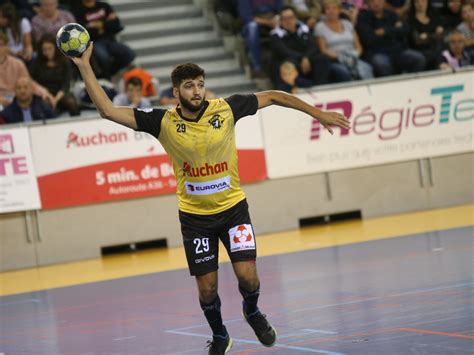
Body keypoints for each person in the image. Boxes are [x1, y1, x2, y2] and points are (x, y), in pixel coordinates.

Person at [70, 42, 350, 355]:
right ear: (176, 92)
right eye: (189, 86)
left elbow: (273, 96)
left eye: (200, 85)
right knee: (207, 288)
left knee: (249, 277)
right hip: (195, 219)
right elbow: (107, 110)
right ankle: (220, 335)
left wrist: (317, 113)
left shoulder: (226, 108)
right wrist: (84, 66)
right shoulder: (162, 121)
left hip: (233, 211)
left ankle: (253, 311)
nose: (197, 91)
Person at [356, 0, 426, 76]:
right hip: (377, 52)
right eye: (372, 1)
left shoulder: (390, 14)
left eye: (379, 0)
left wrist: (385, 31)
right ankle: (393, 86)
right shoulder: (363, 18)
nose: (376, 3)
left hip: (397, 51)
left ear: (384, 2)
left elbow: (405, 29)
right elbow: (369, 39)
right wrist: (394, 30)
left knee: (419, 58)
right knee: (381, 63)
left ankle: (410, 82)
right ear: (367, 3)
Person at [72, 0, 135, 79]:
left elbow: (116, 25)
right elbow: (84, 33)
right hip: (94, 42)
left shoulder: (104, 6)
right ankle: (106, 77)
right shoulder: (78, 10)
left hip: (110, 40)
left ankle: (109, 74)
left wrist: (100, 25)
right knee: (103, 57)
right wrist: (106, 24)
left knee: (129, 54)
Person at [270, 6, 330, 87]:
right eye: (285, 19)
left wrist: (306, 57)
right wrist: (303, 58)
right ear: (281, 21)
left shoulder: (304, 30)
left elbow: (313, 46)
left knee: (321, 58)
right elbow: (284, 52)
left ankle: (321, 87)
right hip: (289, 61)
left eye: (290, 18)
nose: (288, 21)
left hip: (306, 62)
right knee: (286, 65)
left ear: (295, 18)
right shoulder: (276, 35)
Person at [315, 0, 373, 82]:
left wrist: (355, 55)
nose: (331, 11)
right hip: (335, 60)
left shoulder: (347, 24)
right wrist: (340, 57)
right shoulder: (320, 27)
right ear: (324, 11)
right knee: (344, 72)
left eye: (334, 8)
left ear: (339, 10)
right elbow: (323, 50)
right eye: (328, 8)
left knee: (367, 68)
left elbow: (358, 46)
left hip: (352, 57)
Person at [29, 33, 80, 116]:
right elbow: (30, 79)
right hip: (43, 94)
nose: (47, 52)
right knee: (44, 106)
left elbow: (66, 85)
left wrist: (56, 99)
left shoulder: (64, 62)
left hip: (60, 94)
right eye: (44, 49)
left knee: (71, 102)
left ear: (55, 48)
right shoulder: (36, 62)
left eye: (50, 48)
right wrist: (45, 94)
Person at [0, 32, 52, 110]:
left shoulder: (17, 63)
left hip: (18, 98)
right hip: (1, 100)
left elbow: (29, 82)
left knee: (42, 102)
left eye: (1, 45)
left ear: (7, 46)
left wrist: (44, 92)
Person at [237, 0, 283, 77]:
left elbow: (281, 10)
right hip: (254, 23)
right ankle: (257, 67)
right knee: (252, 27)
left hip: (274, 20)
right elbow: (247, 17)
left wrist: (277, 18)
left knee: (289, 21)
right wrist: (268, 22)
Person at [408, 0, 445, 70]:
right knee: (436, 56)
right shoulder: (411, 20)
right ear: (413, 4)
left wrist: (427, 36)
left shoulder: (434, 18)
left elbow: (441, 36)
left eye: (423, 1)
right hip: (420, 51)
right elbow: (417, 41)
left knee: (441, 50)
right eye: (417, 2)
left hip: (436, 48)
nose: (420, 4)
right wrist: (434, 35)